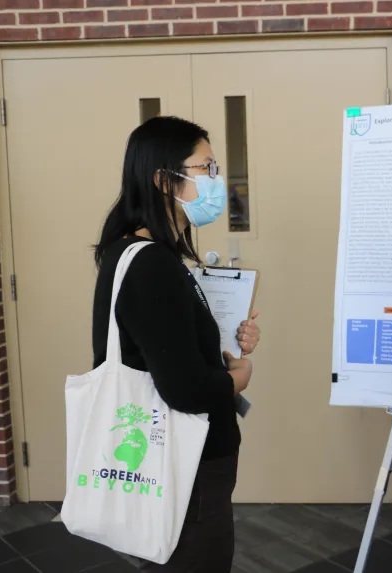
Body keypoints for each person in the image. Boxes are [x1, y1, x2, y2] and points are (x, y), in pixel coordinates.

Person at [92, 116, 260, 572]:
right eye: (206, 168)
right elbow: (183, 389)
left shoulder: (141, 253)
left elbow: (164, 347)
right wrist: (234, 380)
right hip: (185, 462)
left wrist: (225, 342)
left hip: (181, 461)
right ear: (164, 179)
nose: (216, 180)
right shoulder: (151, 264)